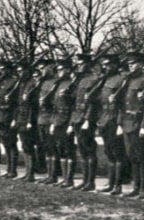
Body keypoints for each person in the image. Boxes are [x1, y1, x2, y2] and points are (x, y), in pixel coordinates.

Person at [117, 52, 144, 199]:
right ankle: (135, 186)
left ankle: (143, 189)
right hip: (126, 122)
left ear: (141, 64)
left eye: (134, 63)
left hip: (138, 122)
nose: (131, 65)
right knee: (131, 156)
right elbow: (121, 104)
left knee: (141, 156)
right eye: (129, 63)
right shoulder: (127, 81)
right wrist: (120, 122)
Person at [92, 54, 127, 195]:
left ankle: (117, 185)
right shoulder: (104, 80)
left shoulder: (121, 80)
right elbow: (99, 100)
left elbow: (123, 105)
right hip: (104, 119)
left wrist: (119, 123)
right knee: (109, 152)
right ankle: (110, 183)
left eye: (108, 65)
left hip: (114, 119)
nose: (105, 67)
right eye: (104, 65)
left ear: (116, 65)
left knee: (117, 153)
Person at [68, 53, 100, 191]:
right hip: (77, 117)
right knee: (81, 150)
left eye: (81, 63)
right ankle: (84, 180)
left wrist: (87, 119)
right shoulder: (78, 80)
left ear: (88, 64)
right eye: (78, 63)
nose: (79, 66)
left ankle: (90, 182)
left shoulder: (94, 79)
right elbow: (73, 102)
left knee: (89, 149)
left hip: (86, 119)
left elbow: (93, 103)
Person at [51, 58, 76, 188]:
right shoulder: (58, 84)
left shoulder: (72, 84)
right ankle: (64, 178)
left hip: (67, 121)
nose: (59, 71)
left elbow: (74, 107)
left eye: (62, 69)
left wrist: (71, 124)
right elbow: (55, 106)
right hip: (58, 120)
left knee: (68, 149)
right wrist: (53, 122)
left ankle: (69, 179)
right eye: (58, 69)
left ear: (68, 70)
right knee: (60, 148)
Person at [14, 62, 41, 181]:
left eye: (22, 71)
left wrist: (30, 120)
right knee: (24, 145)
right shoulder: (21, 84)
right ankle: (27, 172)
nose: (20, 73)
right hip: (21, 117)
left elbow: (33, 105)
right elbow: (18, 104)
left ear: (27, 71)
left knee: (28, 145)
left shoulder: (32, 84)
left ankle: (31, 173)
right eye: (19, 71)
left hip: (28, 119)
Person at [35, 60, 59, 184]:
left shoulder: (55, 82)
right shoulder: (41, 82)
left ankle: (53, 175)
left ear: (50, 68)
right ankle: (49, 175)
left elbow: (56, 103)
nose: (42, 71)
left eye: (43, 68)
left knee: (51, 147)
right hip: (41, 118)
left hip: (50, 118)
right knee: (45, 147)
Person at [0, 59, 19, 178]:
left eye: (4, 69)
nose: (2, 71)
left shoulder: (15, 82)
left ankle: (13, 170)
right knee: (5, 143)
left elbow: (17, 103)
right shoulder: (0, 82)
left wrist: (15, 118)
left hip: (10, 115)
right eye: (0, 69)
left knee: (12, 143)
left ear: (9, 69)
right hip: (1, 115)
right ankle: (8, 169)